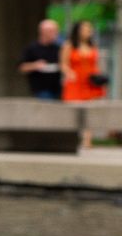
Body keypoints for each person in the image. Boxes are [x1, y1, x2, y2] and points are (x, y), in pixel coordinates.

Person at [62, 19, 105, 149]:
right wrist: (69, 73)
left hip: (90, 82)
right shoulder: (69, 45)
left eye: (90, 29)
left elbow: (96, 64)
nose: (89, 32)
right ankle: (73, 138)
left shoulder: (92, 46)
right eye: (86, 29)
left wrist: (100, 78)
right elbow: (63, 63)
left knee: (90, 111)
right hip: (75, 82)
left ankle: (87, 140)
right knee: (74, 110)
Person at [18, 18, 63, 101]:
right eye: (52, 31)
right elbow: (22, 68)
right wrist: (35, 65)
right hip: (41, 89)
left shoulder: (58, 48)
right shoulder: (32, 48)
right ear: (43, 32)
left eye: (56, 31)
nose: (55, 34)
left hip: (58, 88)